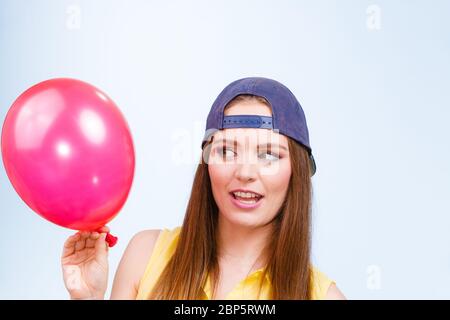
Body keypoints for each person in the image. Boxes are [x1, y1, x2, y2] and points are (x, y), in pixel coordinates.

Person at [61, 77, 346, 300]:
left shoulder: (323, 296)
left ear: (297, 171)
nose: (245, 173)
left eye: (268, 154)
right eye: (227, 151)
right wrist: (88, 298)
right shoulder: (144, 256)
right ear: (206, 165)